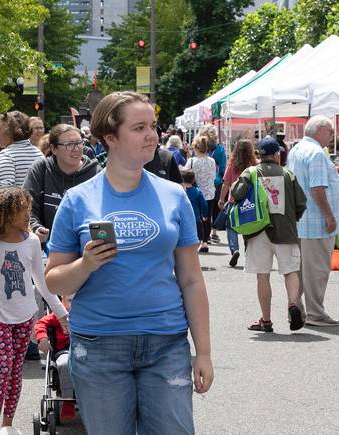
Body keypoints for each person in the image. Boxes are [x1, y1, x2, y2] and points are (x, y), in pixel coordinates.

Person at [44, 92, 213, 433]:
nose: (152, 135)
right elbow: (54, 281)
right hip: (99, 345)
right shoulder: (78, 200)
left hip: (166, 343)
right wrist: (86, 264)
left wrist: (204, 351)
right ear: (110, 137)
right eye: (139, 128)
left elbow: (192, 280)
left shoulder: (174, 195)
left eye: (152, 126)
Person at [0, 189, 68, 435]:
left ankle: (7, 424)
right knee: (2, 368)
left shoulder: (33, 241)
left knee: (15, 372)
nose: (28, 215)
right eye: (22, 210)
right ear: (5, 214)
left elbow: (42, 282)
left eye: (28, 209)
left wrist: (60, 312)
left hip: (25, 317)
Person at [236, 138, 308, 333]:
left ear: (259, 154)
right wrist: (293, 218)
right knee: (290, 271)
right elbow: (301, 203)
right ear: (277, 154)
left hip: (258, 230)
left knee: (262, 276)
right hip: (285, 230)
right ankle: (293, 304)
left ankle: (266, 320)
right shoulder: (288, 174)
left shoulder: (250, 172)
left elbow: (236, 193)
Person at [287, 116, 339, 327]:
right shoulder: (316, 154)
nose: (332, 136)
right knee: (317, 270)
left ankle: (295, 306)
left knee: (302, 269)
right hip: (316, 221)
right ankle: (315, 313)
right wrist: (330, 216)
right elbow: (317, 188)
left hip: (302, 219)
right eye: (330, 132)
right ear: (321, 130)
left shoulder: (297, 150)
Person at [26, 124, 101, 245]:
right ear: (54, 149)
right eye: (69, 144)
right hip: (48, 247)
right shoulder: (41, 169)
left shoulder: (96, 173)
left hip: (86, 247)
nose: (76, 148)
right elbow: (26, 205)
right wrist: (35, 228)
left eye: (79, 143)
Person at [0, 111, 44, 201]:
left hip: (8, 214)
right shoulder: (39, 154)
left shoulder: (7, 156)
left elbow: (5, 195)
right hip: (31, 212)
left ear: (9, 132)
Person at [33, 299, 77, 422]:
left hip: (87, 350)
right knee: (64, 363)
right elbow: (40, 324)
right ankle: (68, 400)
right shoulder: (60, 314)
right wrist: (42, 338)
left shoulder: (88, 312)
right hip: (64, 351)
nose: (73, 304)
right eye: (69, 300)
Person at [219, 139, 258, 268]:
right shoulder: (255, 165)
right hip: (249, 201)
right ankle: (248, 251)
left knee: (231, 227)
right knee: (249, 226)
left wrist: (221, 199)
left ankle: (234, 249)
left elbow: (225, 184)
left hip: (234, 200)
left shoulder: (232, 165)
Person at [184, 135, 218, 252]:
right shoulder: (212, 161)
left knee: (194, 217)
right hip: (209, 192)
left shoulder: (192, 161)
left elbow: (185, 174)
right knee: (207, 218)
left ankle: (195, 239)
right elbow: (213, 176)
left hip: (195, 192)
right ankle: (205, 242)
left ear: (196, 148)